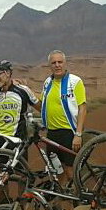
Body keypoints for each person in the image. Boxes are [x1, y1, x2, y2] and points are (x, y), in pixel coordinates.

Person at [40, 50, 87, 181]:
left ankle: (77, 199)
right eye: (53, 62)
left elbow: (82, 107)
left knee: (70, 169)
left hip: (69, 132)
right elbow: (42, 103)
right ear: (49, 65)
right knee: (57, 169)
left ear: (65, 63)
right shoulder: (47, 82)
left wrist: (78, 134)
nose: (57, 65)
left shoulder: (75, 81)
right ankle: (62, 199)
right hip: (52, 133)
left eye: (60, 62)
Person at [0, 60, 41, 155]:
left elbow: (40, 108)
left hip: (19, 137)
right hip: (0, 138)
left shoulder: (23, 90)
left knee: (20, 168)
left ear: (8, 73)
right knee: (1, 168)